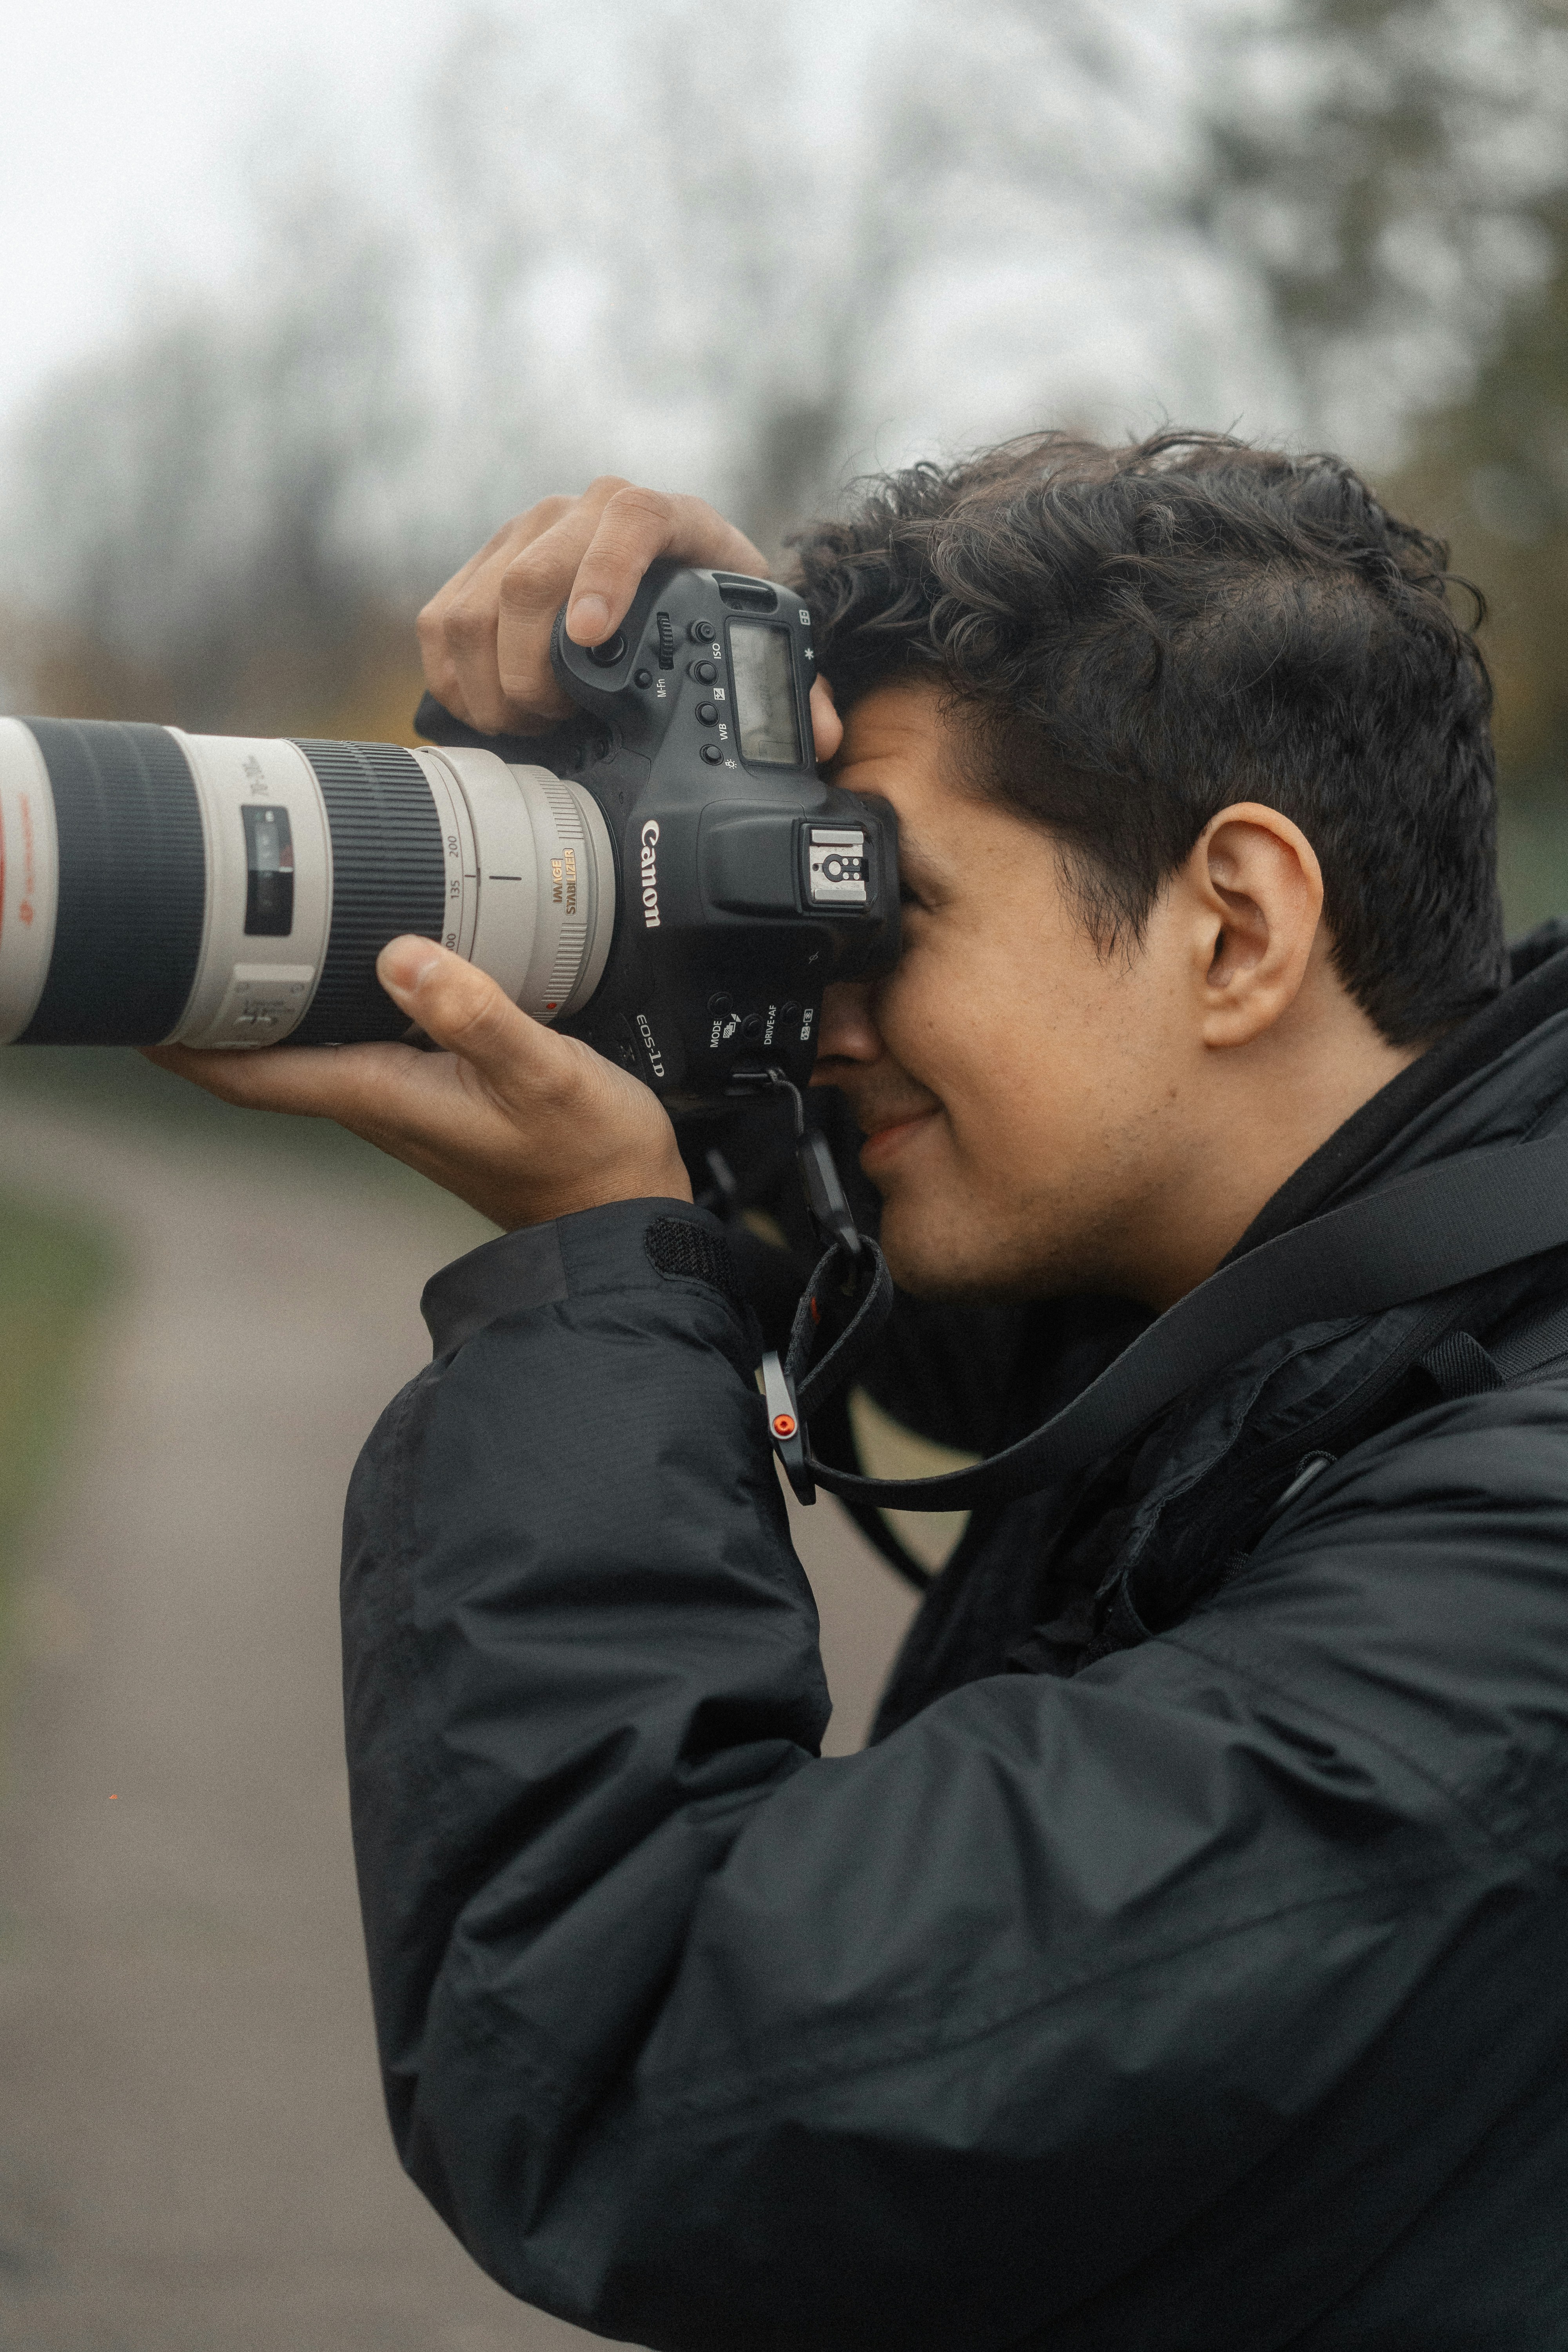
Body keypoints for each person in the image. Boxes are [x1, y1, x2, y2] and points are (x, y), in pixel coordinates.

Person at [156, 433, 1568, 2349]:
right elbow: (903, 1298)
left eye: (874, 912)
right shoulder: (1326, 1289)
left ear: (1235, 922)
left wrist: (591, 1272)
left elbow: (657, 2061)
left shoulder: (1514, 1590)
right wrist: (680, 813)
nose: (821, 996)